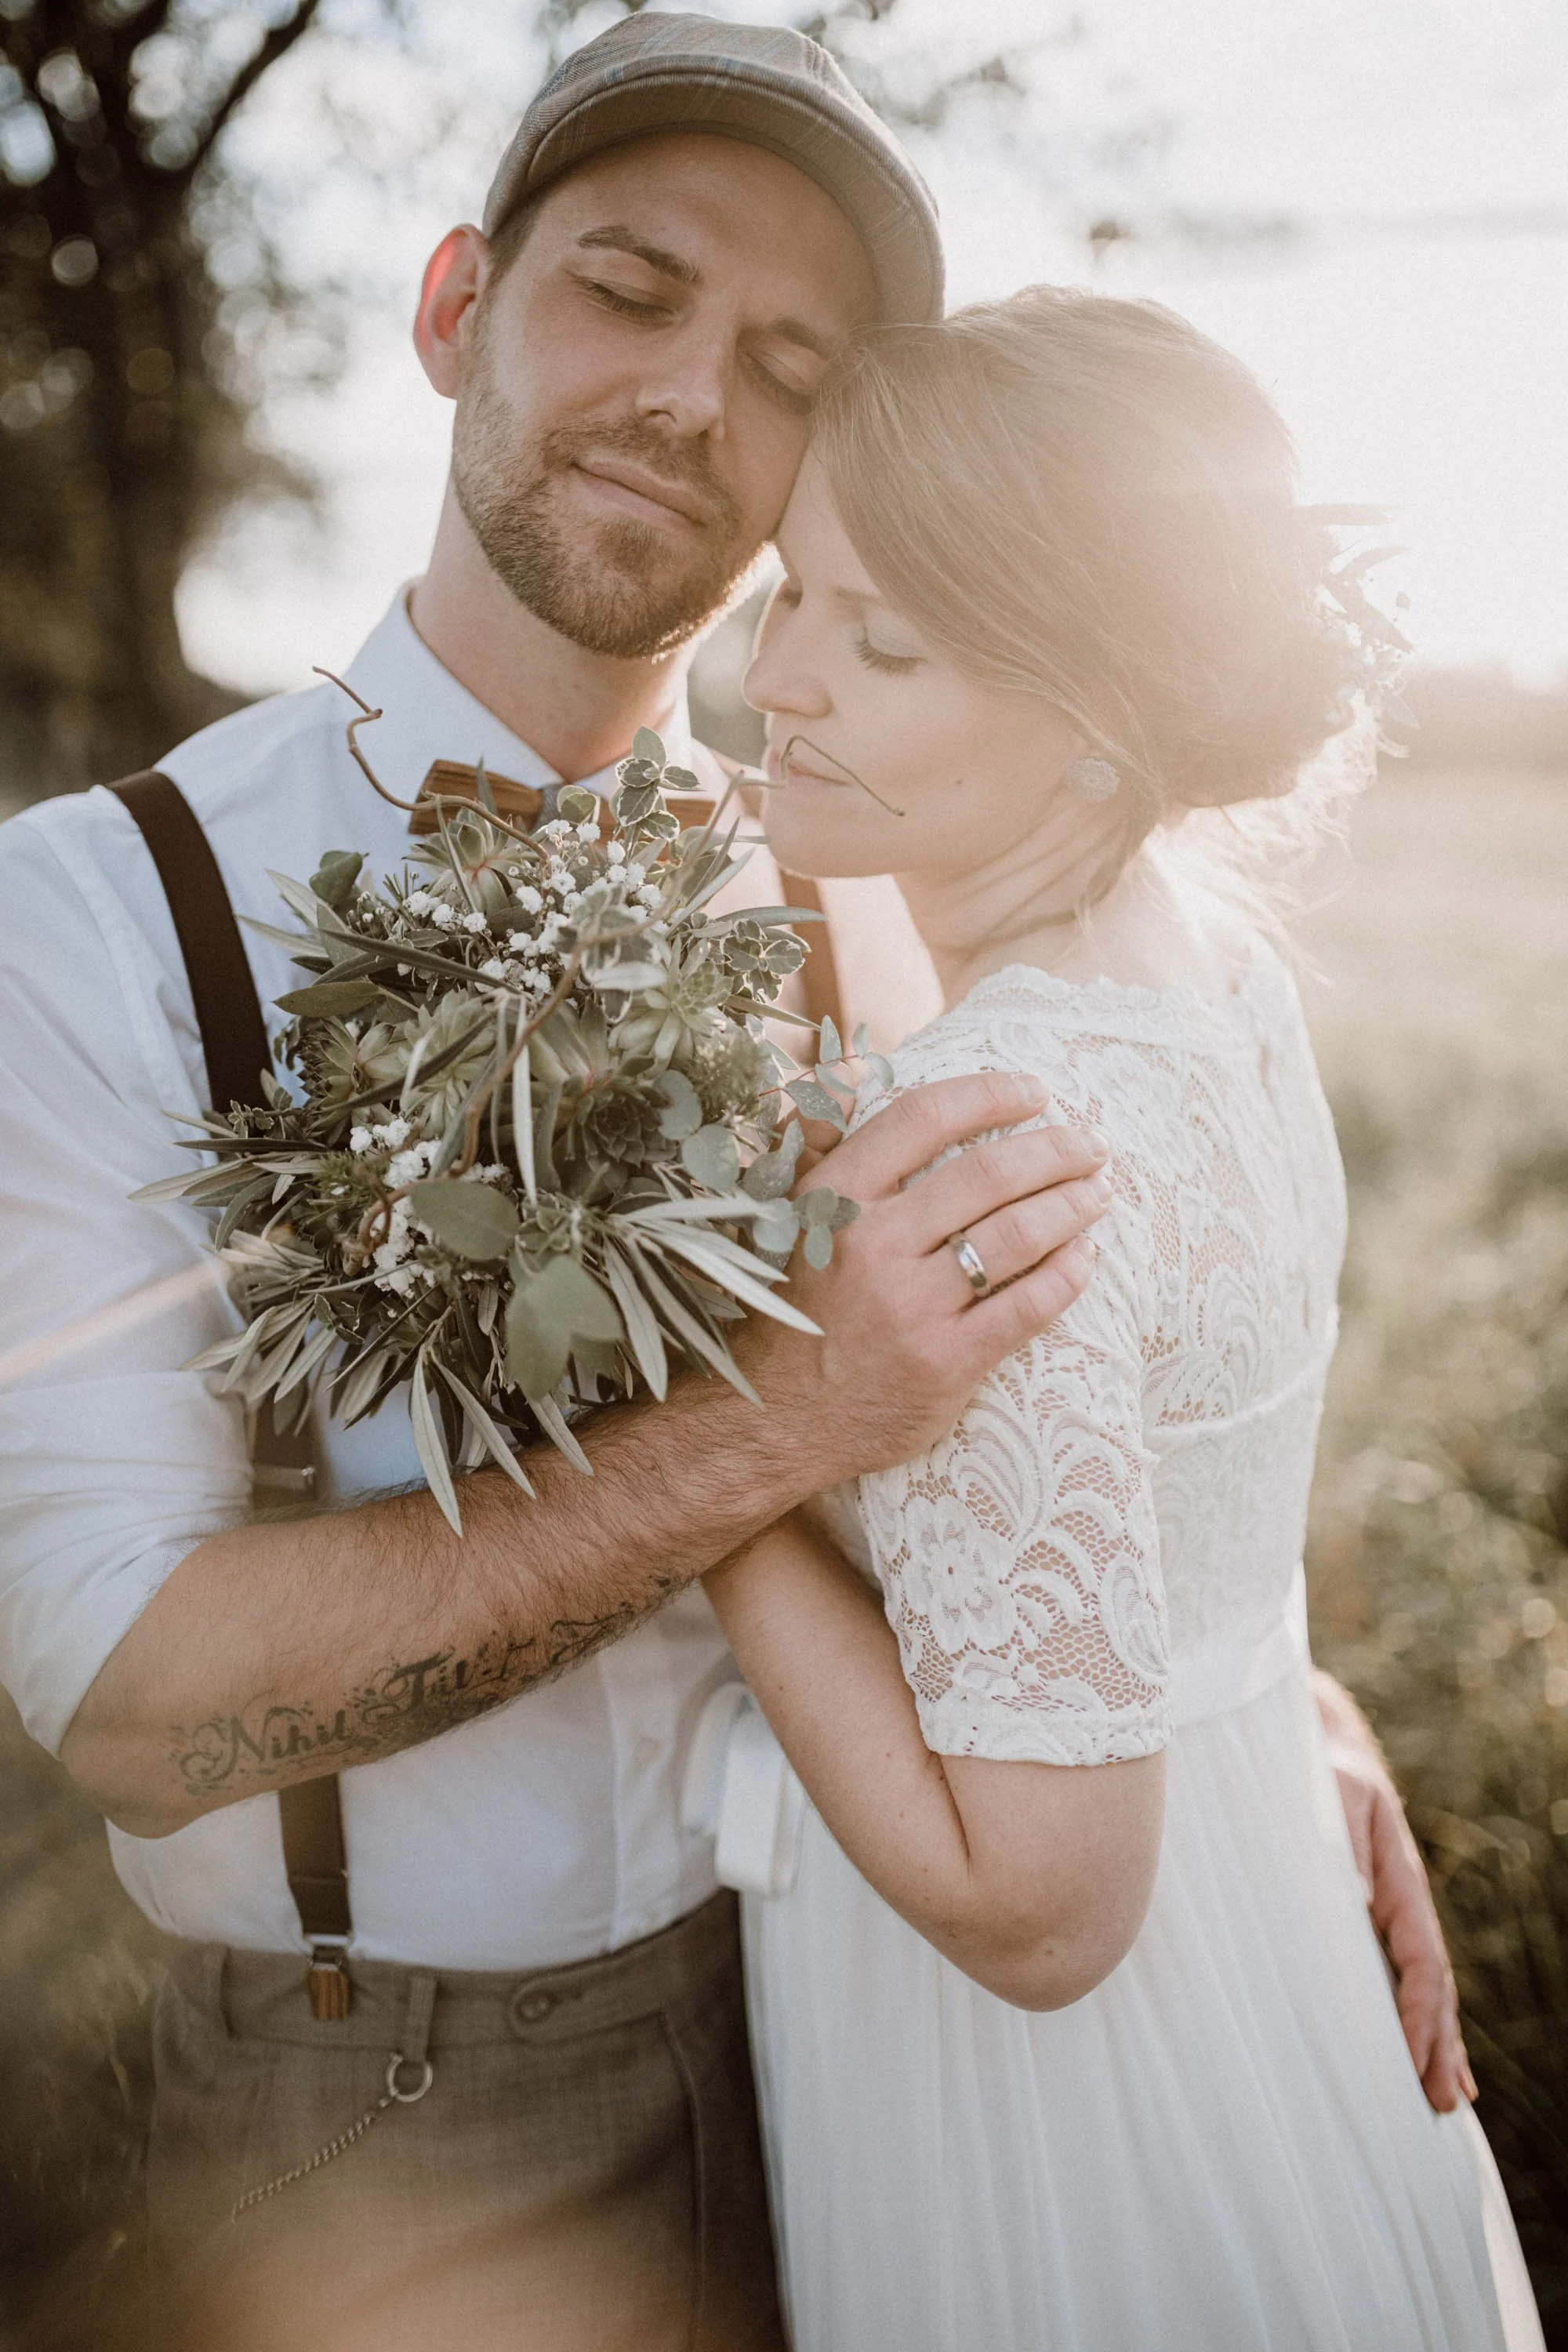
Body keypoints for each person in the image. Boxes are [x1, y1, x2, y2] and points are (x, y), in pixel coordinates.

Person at [0, 15, 1465, 2349]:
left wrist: (1257, 1702)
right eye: (629, 288)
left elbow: (1074, 1406)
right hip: (402, 2116)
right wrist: (784, 1422)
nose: (693, 397)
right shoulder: (94, 914)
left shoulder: (875, 866)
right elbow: (129, 1694)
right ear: (459, 307)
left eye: (788, 357)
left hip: (877, 2043)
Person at [703, 288, 1544, 2351]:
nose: (771, 680)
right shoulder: (1220, 997)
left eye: (878, 643)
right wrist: (1321, 1720)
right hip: (1256, 1924)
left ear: (1094, 719)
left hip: (1067, 2114)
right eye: (794, 592)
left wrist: (703, 1464)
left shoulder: (989, 1129)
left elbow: (1035, 1905)